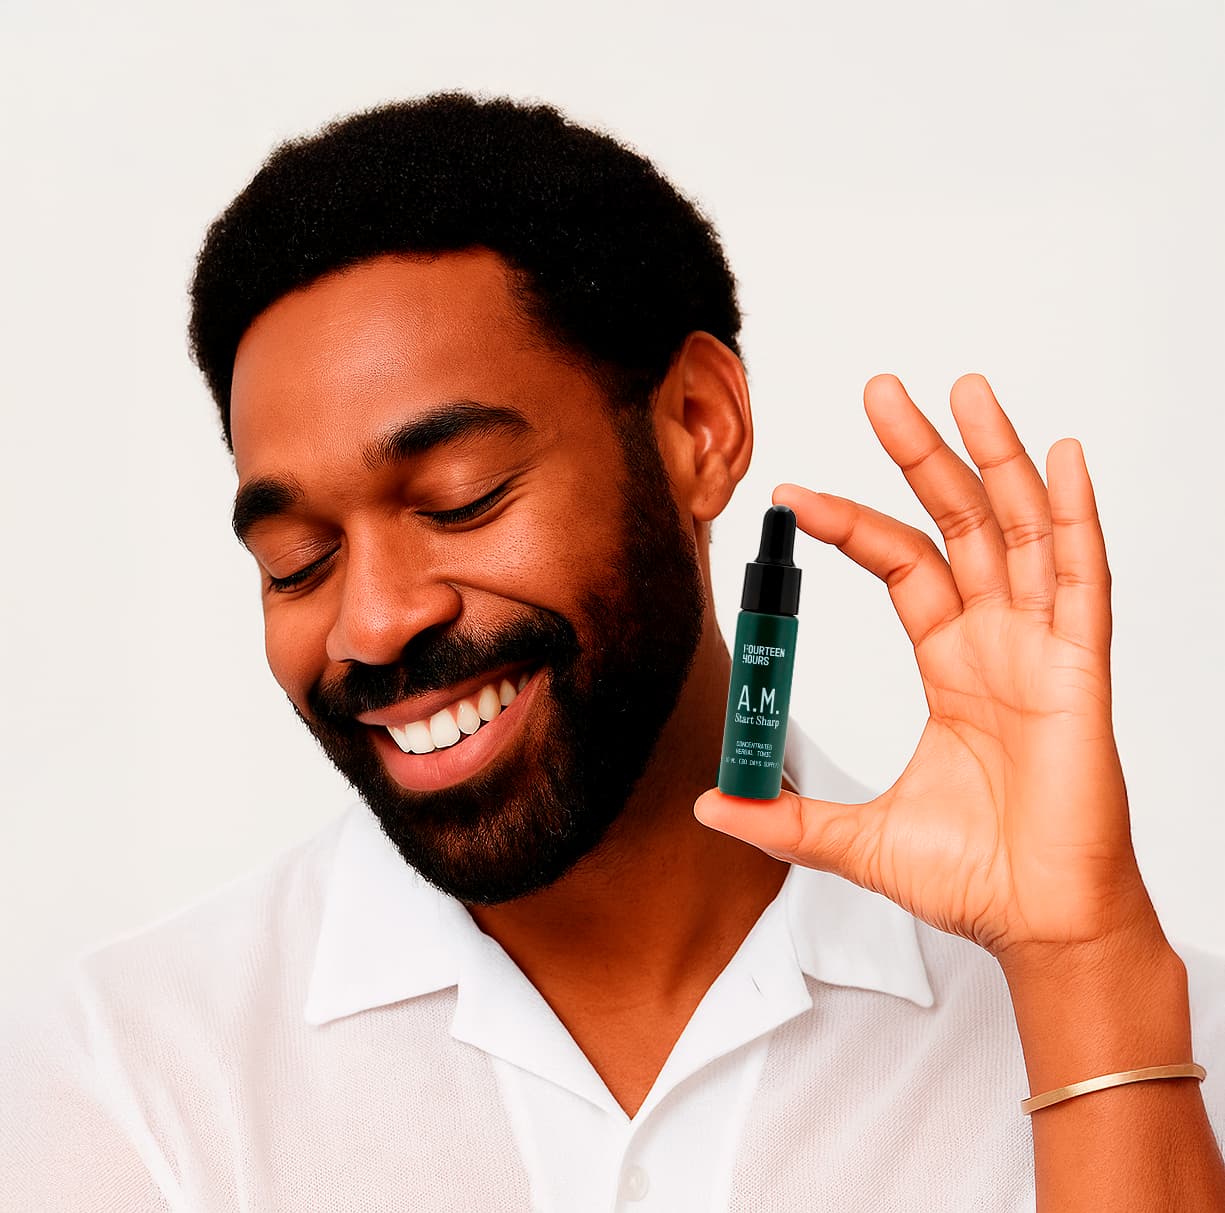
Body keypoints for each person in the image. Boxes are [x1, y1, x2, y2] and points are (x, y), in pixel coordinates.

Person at [2, 90, 1223, 1211]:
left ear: (696, 427)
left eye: (462, 498)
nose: (370, 622)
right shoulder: (141, 1072)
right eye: (296, 560)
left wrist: (1081, 968)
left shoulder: (1156, 1040)